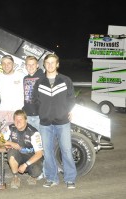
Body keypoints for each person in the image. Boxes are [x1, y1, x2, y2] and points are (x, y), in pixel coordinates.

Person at [32, 54, 77, 189]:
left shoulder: (65, 80)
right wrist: (42, 113)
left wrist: (68, 110)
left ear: (57, 64)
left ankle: (70, 178)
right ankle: (52, 178)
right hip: (45, 123)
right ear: (44, 65)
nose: (50, 65)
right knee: (47, 151)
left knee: (66, 150)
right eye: (47, 63)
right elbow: (35, 100)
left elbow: (71, 98)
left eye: (53, 63)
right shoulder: (39, 82)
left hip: (63, 122)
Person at [3, 110, 43, 189]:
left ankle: (32, 177)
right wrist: (11, 143)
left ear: (26, 120)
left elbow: (39, 153)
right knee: (11, 153)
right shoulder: (10, 128)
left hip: (31, 157)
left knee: (36, 171)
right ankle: (15, 177)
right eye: (16, 120)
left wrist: (25, 165)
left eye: (20, 119)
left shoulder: (34, 132)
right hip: (18, 156)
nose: (18, 122)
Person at [22, 56, 45, 130]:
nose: (31, 67)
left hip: (39, 115)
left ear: (37, 65)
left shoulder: (43, 77)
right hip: (27, 114)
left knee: (40, 139)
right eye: (28, 64)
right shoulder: (25, 78)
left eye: (33, 64)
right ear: (25, 66)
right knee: (30, 139)